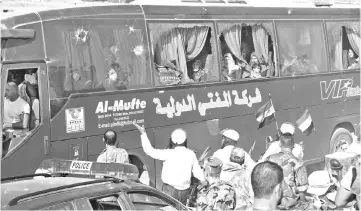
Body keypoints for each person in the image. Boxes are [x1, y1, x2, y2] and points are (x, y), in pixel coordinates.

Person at [133, 123, 205, 205]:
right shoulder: (191, 154)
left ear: (173, 141)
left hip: (170, 191)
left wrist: (143, 133)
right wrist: (205, 181)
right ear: (185, 140)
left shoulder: (168, 153)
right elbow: (197, 171)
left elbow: (150, 151)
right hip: (184, 192)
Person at [266, 127, 310, 210]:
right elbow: (302, 189)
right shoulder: (298, 163)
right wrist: (304, 204)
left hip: (272, 202)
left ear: (280, 144)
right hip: (291, 204)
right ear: (293, 145)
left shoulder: (269, 160)